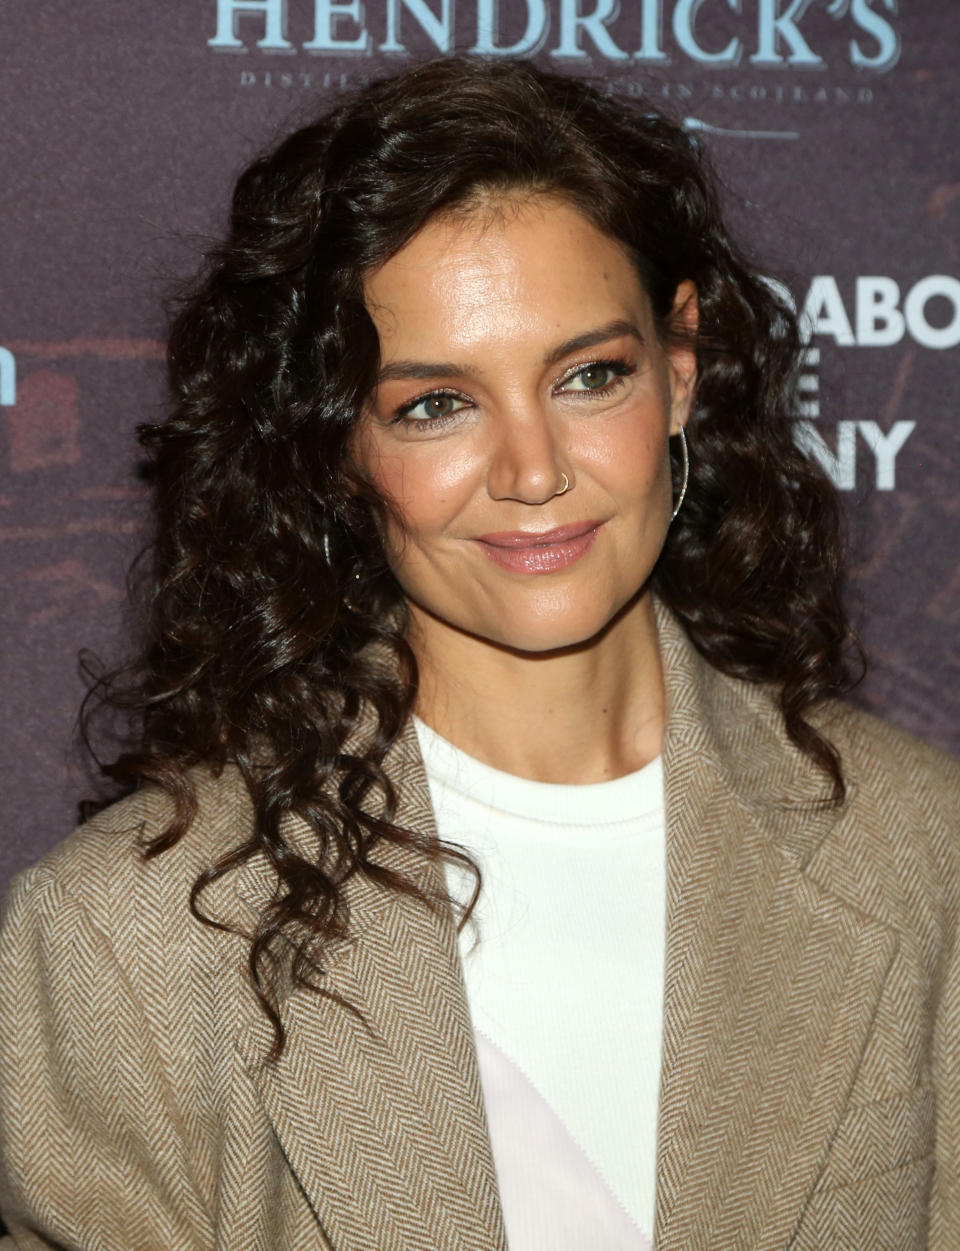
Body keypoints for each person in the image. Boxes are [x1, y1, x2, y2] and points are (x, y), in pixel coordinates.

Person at [0, 55, 957, 1251]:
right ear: (338, 444)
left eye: (588, 376)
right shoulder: (130, 935)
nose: (532, 471)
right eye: (435, 404)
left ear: (680, 371)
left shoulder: (923, 857)